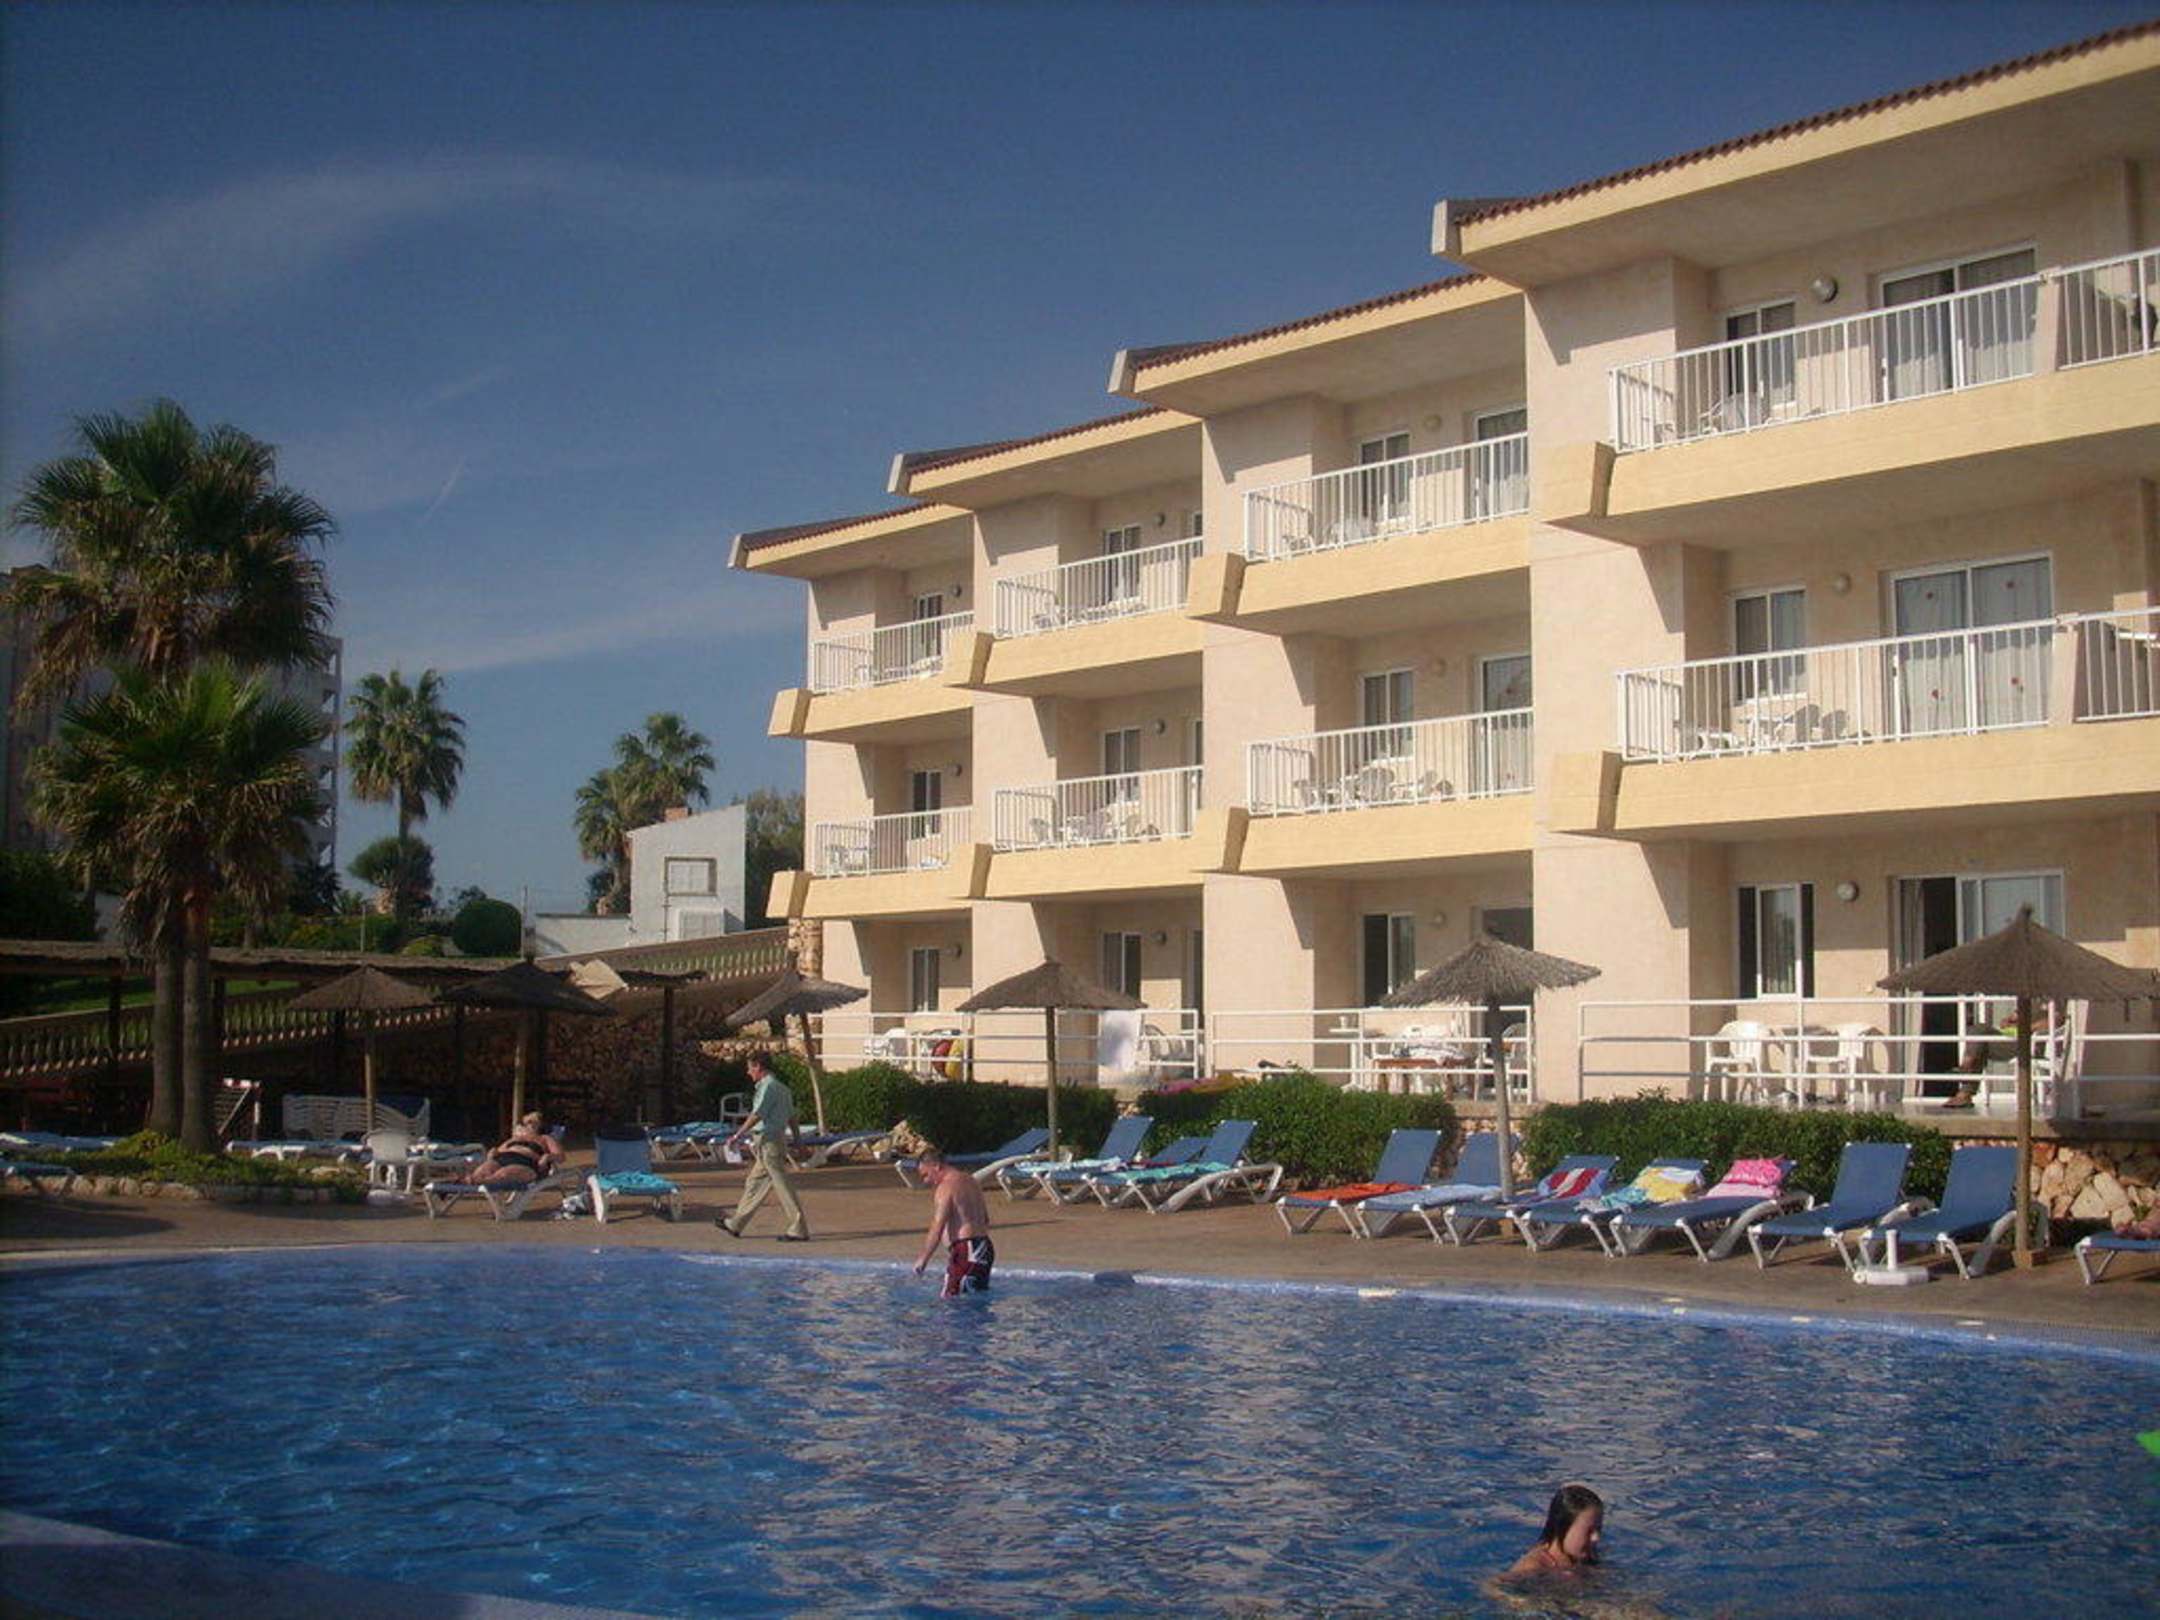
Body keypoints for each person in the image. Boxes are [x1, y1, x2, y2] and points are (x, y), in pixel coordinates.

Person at [714, 1051, 808, 1241]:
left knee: (782, 1185)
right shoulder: (783, 1088)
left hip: (768, 1142)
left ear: (758, 1066)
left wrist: (737, 1135)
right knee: (754, 1183)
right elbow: (792, 1117)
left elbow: (757, 1114)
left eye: (750, 1068)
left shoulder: (768, 1087)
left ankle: (799, 1228)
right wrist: (798, 1142)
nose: (748, 1072)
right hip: (771, 1142)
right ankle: (736, 1223)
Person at [912, 1147, 994, 1297]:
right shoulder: (971, 1181)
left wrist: (923, 1259)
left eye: (926, 1175)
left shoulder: (945, 1188)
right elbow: (985, 1219)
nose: (926, 1181)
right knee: (975, 1299)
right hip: (985, 1247)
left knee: (949, 1300)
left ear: (936, 1166)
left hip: (967, 1251)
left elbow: (937, 1226)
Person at [1502, 1484, 1604, 1581]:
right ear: (1562, 1527)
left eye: (1598, 1529)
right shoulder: (1533, 1567)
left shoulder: (1587, 1556)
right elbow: (1496, 1586)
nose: (1596, 1537)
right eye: (1588, 1531)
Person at [468, 1112, 564, 1186]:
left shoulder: (545, 1138)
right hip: (503, 1158)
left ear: (541, 1125)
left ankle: (479, 1181)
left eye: (534, 1121)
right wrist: (493, 1152)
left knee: (505, 1173)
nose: (530, 1124)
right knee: (481, 1171)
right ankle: (473, 1179)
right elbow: (499, 1150)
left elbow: (561, 1157)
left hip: (526, 1162)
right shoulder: (516, 1138)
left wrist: (547, 1157)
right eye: (527, 1122)